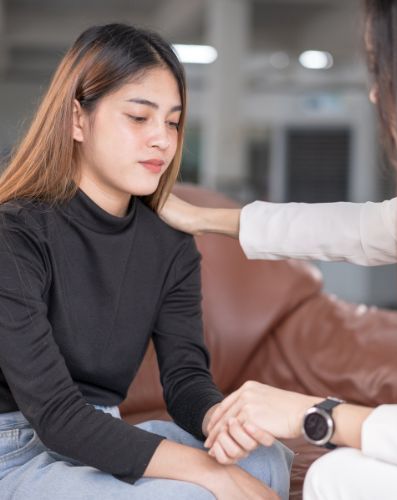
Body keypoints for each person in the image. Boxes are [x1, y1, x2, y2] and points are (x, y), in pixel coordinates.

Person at [160, 1, 397, 498]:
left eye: (382, 68)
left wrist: (311, 414)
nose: (374, 92)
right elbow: (360, 228)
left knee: (335, 476)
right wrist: (201, 218)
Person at [0, 23, 293, 500]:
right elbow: (55, 416)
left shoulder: (170, 242)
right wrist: (209, 472)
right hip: (17, 447)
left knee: (266, 460)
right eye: (139, 117)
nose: (162, 139)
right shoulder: (14, 232)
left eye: (173, 121)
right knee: (195, 493)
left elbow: (184, 378)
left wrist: (218, 420)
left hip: (105, 433)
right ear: (78, 119)